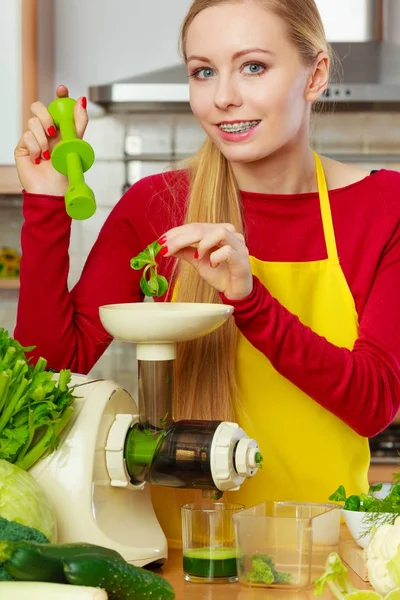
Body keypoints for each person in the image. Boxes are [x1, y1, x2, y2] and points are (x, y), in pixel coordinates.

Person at [13, 0, 400, 547]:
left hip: (323, 559)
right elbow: (49, 373)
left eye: (253, 66)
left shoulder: (384, 206)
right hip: (180, 556)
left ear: (314, 75)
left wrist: (250, 299)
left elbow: (373, 403)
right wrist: (46, 202)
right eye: (203, 71)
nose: (222, 97)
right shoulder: (157, 205)